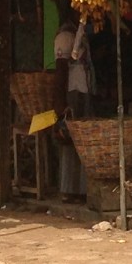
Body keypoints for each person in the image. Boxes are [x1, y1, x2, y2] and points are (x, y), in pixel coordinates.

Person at [53, 16, 94, 203]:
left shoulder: (79, 36)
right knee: (70, 142)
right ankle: (69, 189)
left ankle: (82, 189)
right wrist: (60, 104)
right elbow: (60, 71)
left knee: (82, 142)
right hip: (72, 93)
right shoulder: (64, 38)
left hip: (82, 92)